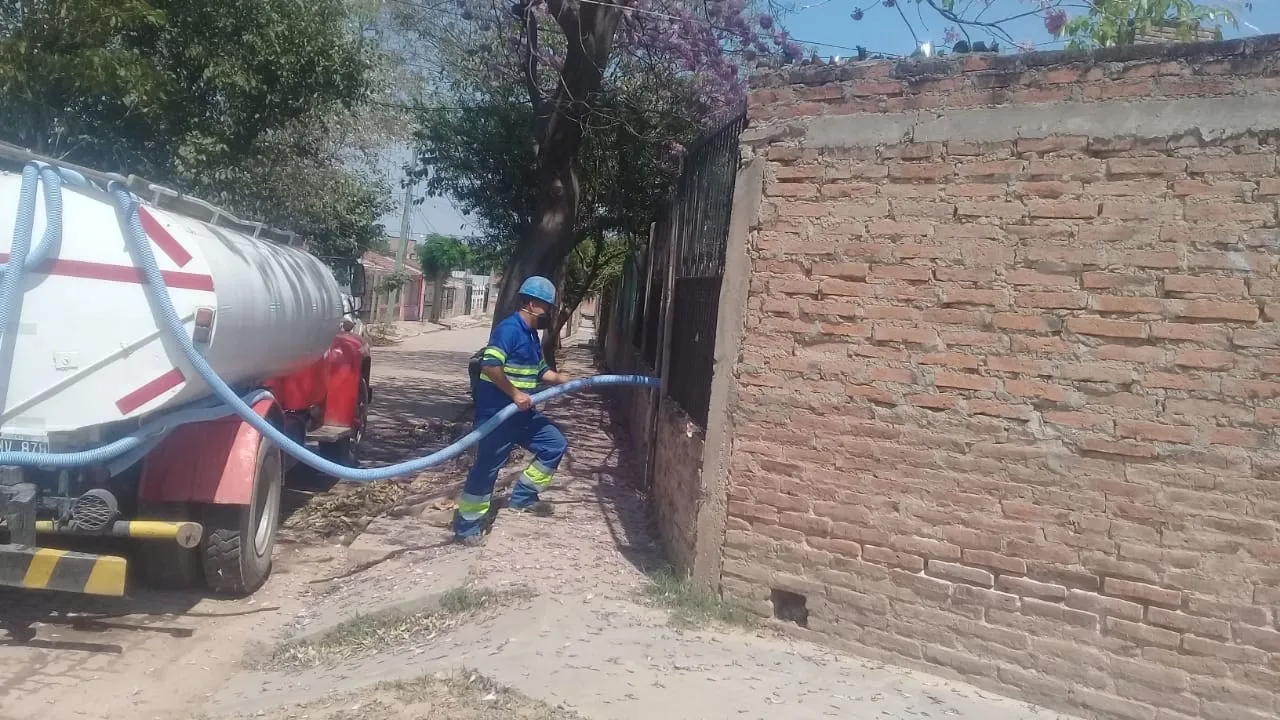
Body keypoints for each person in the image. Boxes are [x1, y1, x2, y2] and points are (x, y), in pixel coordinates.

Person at [453, 275, 570, 546]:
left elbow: (540, 371)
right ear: (531, 304)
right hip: (498, 414)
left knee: (554, 444)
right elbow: (490, 366)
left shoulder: (531, 334)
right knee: (487, 468)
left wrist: (566, 380)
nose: (550, 312)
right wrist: (516, 394)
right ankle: (467, 526)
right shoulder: (509, 329)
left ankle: (522, 498)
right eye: (547, 306)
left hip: (522, 414)